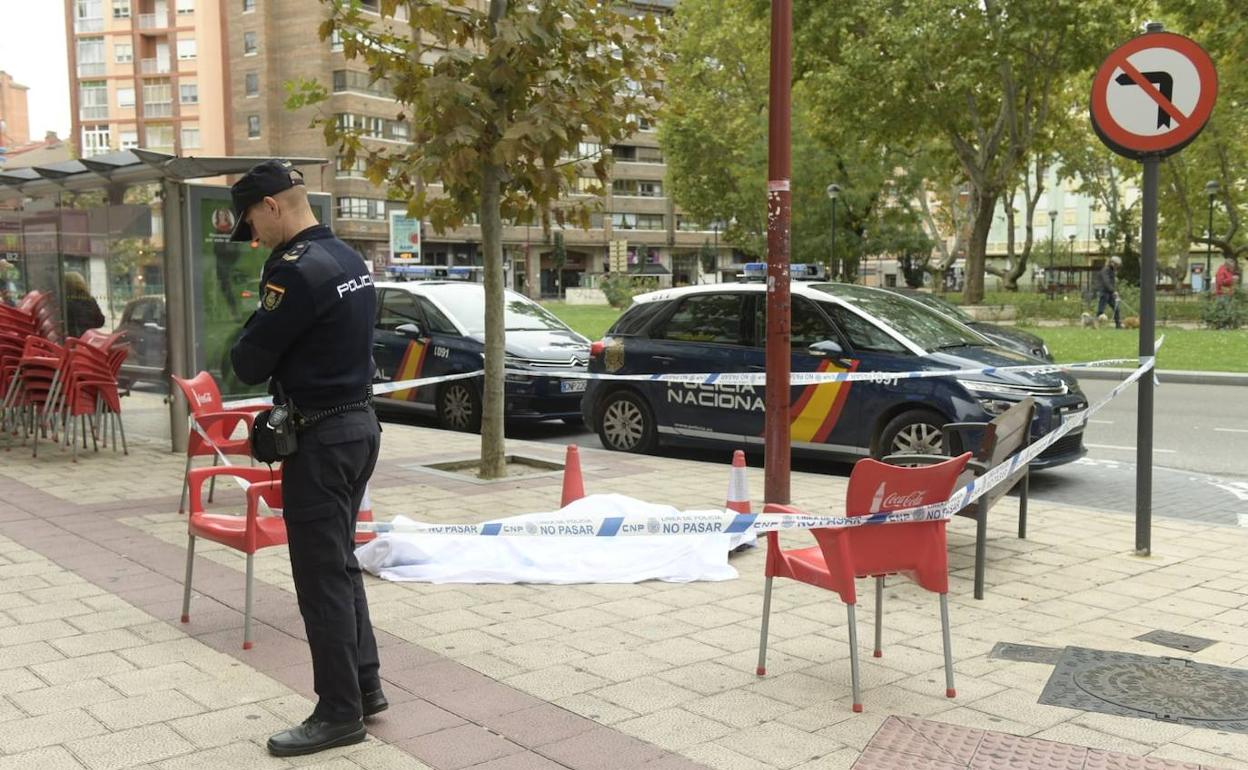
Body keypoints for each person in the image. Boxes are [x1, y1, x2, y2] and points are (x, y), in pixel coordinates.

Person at [226, 160, 385, 757]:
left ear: (271, 205)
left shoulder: (293, 274)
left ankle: (339, 712)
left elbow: (248, 361)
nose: (252, 236)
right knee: (340, 564)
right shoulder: (348, 259)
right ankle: (365, 687)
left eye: (250, 221)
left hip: (320, 439)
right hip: (358, 426)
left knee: (319, 576)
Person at [63, 270, 106, 337]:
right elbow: (100, 321)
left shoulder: (65, 302)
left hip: (72, 341)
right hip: (88, 339)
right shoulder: (90, 300)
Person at [1095, 255, 1122, 329]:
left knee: (1116, 308)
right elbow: (1106, 282)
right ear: (1112, 263)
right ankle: (1096, 325)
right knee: (1101, 310)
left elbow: (1112, 282)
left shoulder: (1112, 271)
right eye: (1116, 265)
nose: (1117, 267)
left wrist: (1114, 291)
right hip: (1104, 292)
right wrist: (1113, 291)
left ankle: (1118, 325)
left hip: (1110, 293)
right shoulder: (1105, 270)